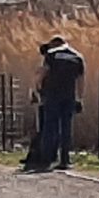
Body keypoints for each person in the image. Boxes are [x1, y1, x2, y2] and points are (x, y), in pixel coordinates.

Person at [24, 36, 86, 173]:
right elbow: (81, 80)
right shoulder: (78, 57)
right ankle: (65, 159)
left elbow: (42, 74)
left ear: (55, 44)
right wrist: (80, 99)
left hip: (52, 96)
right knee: (66, 128)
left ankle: (47, 159)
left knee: (50, 127)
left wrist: (35, 90)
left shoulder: (51, 55)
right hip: (69, 96)